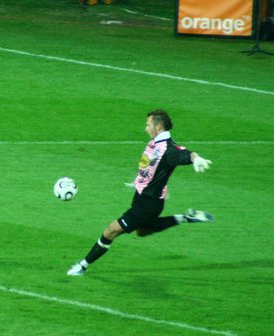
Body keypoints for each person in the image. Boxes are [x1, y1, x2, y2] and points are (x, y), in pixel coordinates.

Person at [66, 110, 214, 277]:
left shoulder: (168, 148)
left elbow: (184, 153)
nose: (145, 128)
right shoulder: (156, 143)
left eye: (148, 125)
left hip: (148, 205)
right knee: (142, 231)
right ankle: (186, 217)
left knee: (111, 231)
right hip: (143, 199)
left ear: (158, 127)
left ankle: (82, 266)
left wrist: (196, 158)